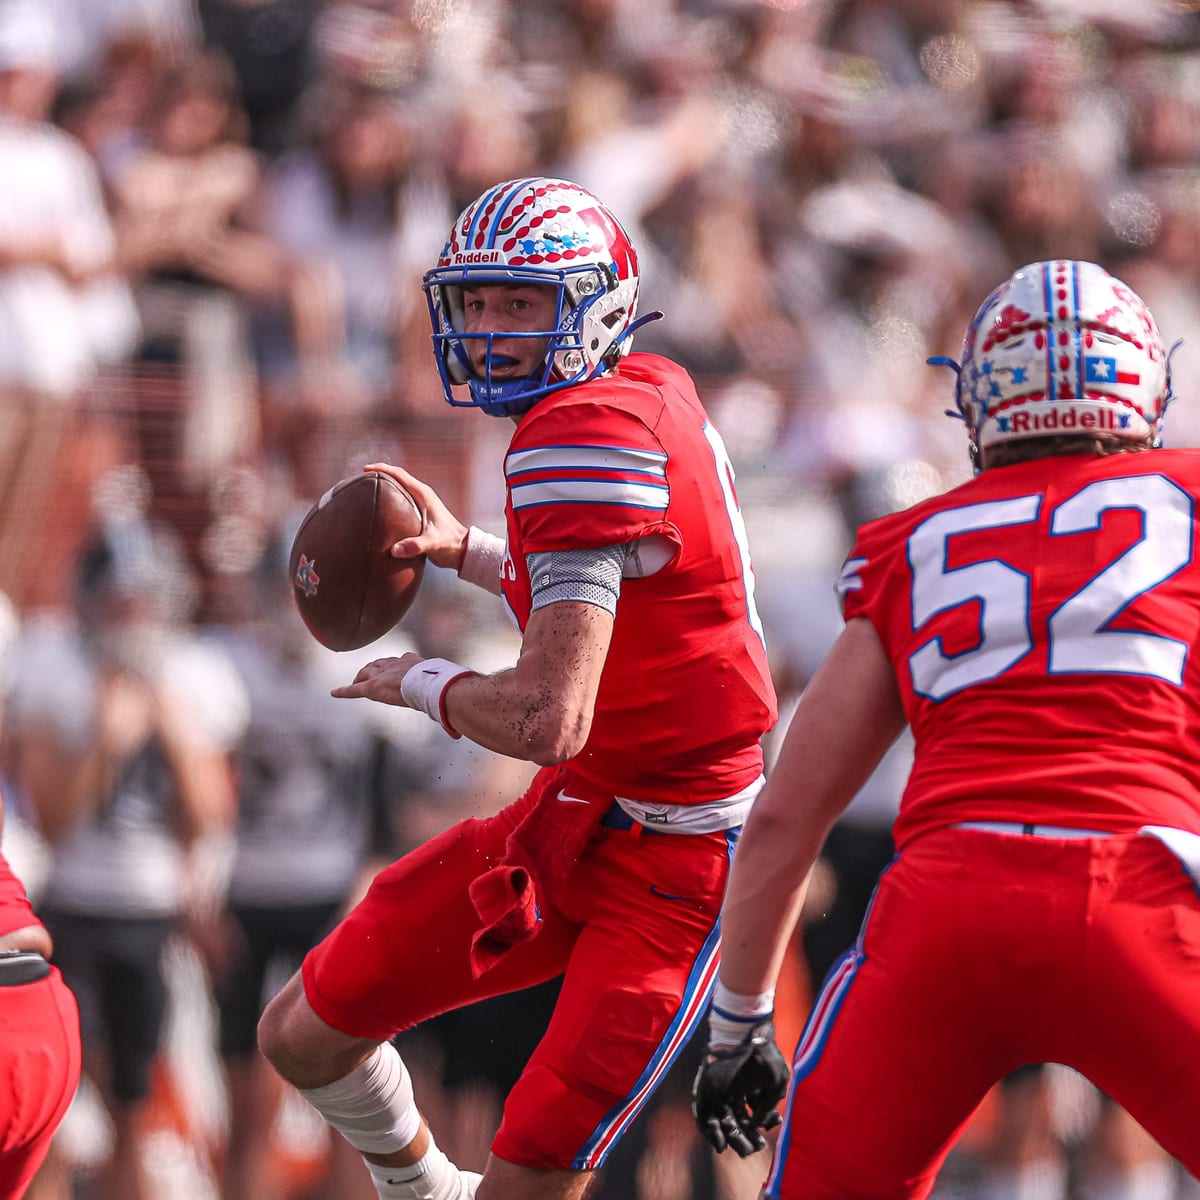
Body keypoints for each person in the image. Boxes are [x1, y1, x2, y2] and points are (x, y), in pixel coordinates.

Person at [257, 175, 779, 1200]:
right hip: (578, 814)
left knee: (534, 1172)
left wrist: (424, 682)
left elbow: (548, 716)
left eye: (521, 304)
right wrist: (465, 550)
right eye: (480, 302)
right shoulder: (645, 389)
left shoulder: (575, 437)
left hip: (677, 867)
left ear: (596, 302)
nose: (490, 330)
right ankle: (424, 1189)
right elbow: (608, 594)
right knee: (301, 1033)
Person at [691, 259, 1200, 1198]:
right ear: (1146, 387)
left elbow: (783, 817)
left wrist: (739, 1025)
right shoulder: (1189, 501)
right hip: (1141, 887)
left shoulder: (917, 541)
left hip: (948, 912)